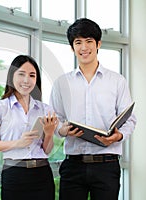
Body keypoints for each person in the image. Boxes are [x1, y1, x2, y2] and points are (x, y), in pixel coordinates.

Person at [49, 18, 137, 200]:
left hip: (107, 165)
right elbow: (55, 118)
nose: (84, 47)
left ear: (98, 44)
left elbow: (130, 119)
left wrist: (118, 136)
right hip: (73, 165)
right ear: (72, 48)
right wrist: (62, 130)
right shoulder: (61, 83)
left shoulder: (117, 81)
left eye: (89, 41)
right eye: (78, 42)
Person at [0, 55, 58, 200]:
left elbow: (47, 150)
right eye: (21, 74)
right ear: (12, 76)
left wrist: (49, 134)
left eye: (32, 75)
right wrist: (18, 143)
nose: (26, 80)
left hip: (42, 174)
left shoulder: (44, 109)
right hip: (14, 175)